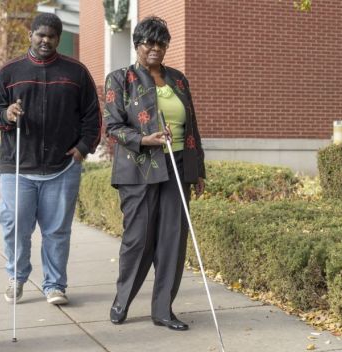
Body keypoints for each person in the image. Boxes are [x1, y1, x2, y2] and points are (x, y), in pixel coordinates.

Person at [0, 13, 100, 306]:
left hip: (62, 167)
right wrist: (7, 114)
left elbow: (92, 115)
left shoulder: (76, 72)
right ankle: (17, 276)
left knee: (57, 231)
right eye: (40, 35)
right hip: (18, 167)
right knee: (14, 226)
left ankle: (54, 285)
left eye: (51, 36)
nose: (45, 40)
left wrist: (83, 148)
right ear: (30, 35)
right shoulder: (10, 71)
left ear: (58, 39)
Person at [103, 16, 206, 331]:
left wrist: (198, 170)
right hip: (139, 168)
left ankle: (163, 310)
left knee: (172, 240)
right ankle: (123, 299)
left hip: (177, 166)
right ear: (137, 44)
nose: (155, 48)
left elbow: (192, 127)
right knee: (139, 239)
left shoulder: (178, 80)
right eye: (149, 42)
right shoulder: (120, 79)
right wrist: (144, 140)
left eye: (161, 43)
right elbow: (114, 126)